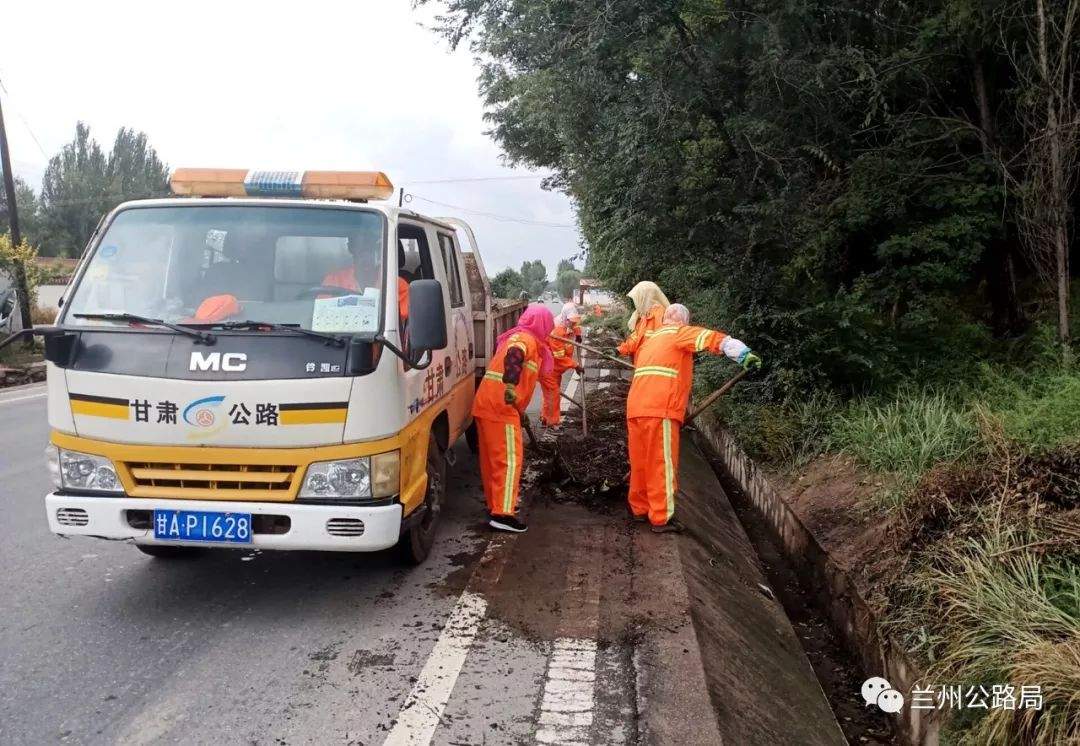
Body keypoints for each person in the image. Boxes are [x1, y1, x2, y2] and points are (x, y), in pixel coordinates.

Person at [623, 303, 761, 532]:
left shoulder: (652, 339)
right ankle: (660, 518)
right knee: (661, 463)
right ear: (683, 321)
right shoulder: (679, 333)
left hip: (636, 408)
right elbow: (715, 339)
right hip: (661, 409)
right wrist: (743, 354)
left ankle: (639, 509)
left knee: (640, 463)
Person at [471, 304, 555, 533]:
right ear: (542, 324)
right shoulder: (525, 340)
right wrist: (510, 385)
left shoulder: (519, 336)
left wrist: (520, 410)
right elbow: (514, 356)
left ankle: (494, 506)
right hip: (501, 406)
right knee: (509, 461)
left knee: (492, 462)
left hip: (488, 405)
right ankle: (503, 513)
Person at [323, 236, 409, 325]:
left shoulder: (396, 285)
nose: (365, 257)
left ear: (379, 250)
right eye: (361, 250)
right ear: (351, 248)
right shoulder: (333, 281)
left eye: (370, 250)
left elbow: (401, 323)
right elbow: (322, 316)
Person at [540, 302, 584, 427]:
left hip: (555, 370)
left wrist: (578, 334)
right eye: (571, 321)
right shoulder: (556, 332)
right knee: (553, 395)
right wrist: (575, 365)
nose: (574, 323)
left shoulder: (567, 325)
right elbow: (559, 357)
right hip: (548, 369)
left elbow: (574, 326)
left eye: (575, 321)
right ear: (565, 318)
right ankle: (552, 423)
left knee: (549, 394)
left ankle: (545, 417)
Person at [617, 281, 670, 364]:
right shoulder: (646, 316)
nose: (636, 303)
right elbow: (636, 338)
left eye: (637, 298)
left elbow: (662, 345)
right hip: (644, 366)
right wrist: (619, 350)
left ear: (645, 297)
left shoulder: (660, 316)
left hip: (653, 367)